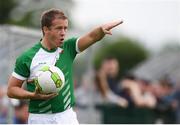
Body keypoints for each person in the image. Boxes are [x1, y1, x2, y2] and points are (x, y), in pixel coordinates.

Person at [7, 8, 123, 124]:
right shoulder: (27, 57)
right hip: (40, 118)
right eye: (59, 28)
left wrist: (101, 30)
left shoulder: (68, 47)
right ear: (46, 29)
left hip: (66, 116)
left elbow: (92, 37)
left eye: (65, 28)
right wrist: (33, 95)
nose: (63, 32)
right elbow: (12, 90)